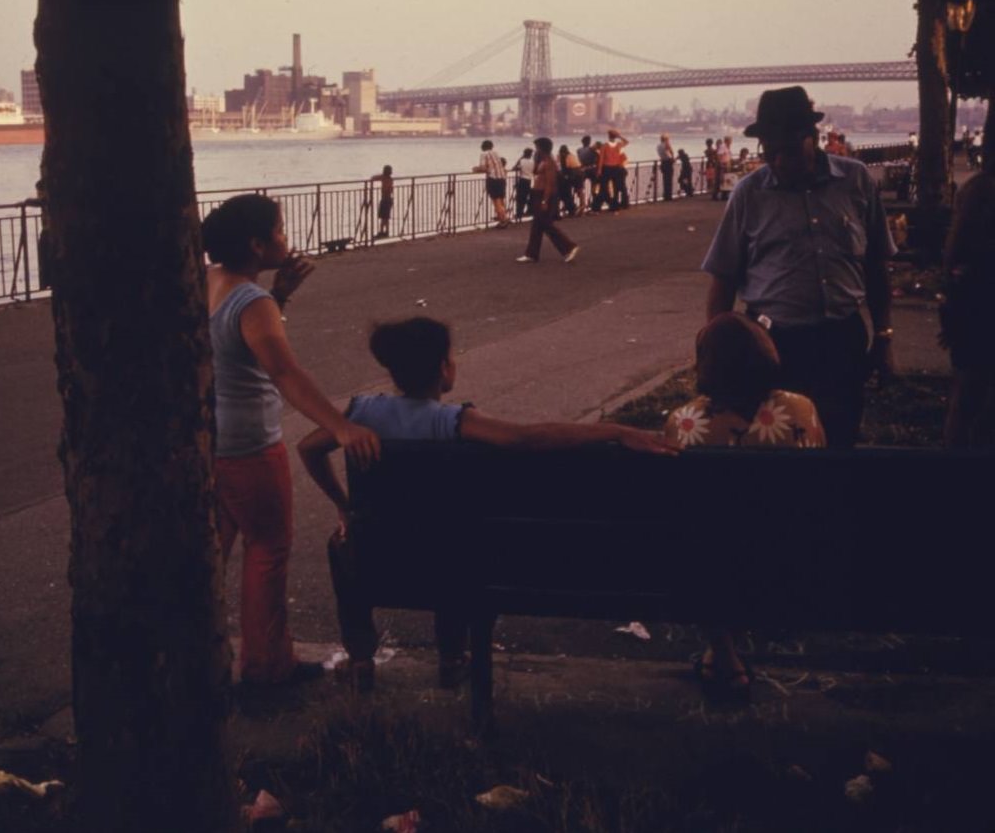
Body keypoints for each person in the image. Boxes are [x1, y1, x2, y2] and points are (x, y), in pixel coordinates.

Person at [299, 316, 678, 691]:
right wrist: (616, 430)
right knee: (455, 539)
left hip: (379, 554)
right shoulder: (454, 421)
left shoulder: (362, 414)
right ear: (443, 369)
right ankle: (451, 656)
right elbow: (526, 439)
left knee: (343, 544)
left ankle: (361, 657)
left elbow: (307, 449)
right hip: (441, 560)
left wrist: (341, 503)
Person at [203, 194, 380, 686]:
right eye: (279, 231)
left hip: (211, 441)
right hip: (250, 445)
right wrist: (340, 426)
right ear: (257, 244)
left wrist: (280, 295)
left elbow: (234, 347)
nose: (286, 238)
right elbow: (284, 373)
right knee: (267, 550)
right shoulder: (253, 302)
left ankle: (197, 654)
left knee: (212, 551)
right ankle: (266, 667)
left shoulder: (210, 282)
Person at [702, 85, 895, 448]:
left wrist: (884, 338)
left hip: (841, 340)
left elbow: (876, 266)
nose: (776, 161)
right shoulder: (749, 193)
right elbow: (723, 279)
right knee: (778, 447)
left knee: (840, 438)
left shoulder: (856, 182)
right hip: (772, 345)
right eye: (769, 152)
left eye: (787, 151)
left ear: (813, 137)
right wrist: (715, 352)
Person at [664, 314, 825, 701]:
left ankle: (721, 651)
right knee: (742, 539)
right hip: (789, 553)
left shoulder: (684, 423)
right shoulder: (801, 411)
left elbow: (674, 503)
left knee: (708, 542)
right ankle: (724, 652)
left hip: (709, 561)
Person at [940, 129, 995, 446]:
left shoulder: (977, 189)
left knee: (969, 394)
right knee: (971, 393)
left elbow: (952, 254)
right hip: (982, 302)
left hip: (975, 301)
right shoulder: (982, 191)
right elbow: (956, 252)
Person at [516, 137, 580, 264]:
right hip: (538, 194)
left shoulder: (549, 162)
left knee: (546, 224)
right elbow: (536, 173)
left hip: (544, 196)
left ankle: (569, 246)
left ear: (542, 148)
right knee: (537, 226)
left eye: (537, 148)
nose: (536, 150)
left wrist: (545, 200)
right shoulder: (542, 160)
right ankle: (531, 254)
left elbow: (550, 183)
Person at [472, 140, 510, 227]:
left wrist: (475, 169)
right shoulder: (496, 153)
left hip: (493, 179)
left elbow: (483, 167)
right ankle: (505, 217)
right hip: (502, 178)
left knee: (496, 200)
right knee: (500, 199)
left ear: (483, 146)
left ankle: (503, 221)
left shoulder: (484, 154)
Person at [599, 129, 630, 211]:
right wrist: (619, 136)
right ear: (615, 137)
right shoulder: (618, 145)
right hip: (616, 168)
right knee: (616, 187)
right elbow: (627, 142)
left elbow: (601, 159)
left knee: (605, 188)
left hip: (606, 168)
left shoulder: (604, 146)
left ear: (608, 136)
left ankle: (612, 204)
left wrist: (599, 170)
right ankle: (618, 204)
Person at [512, 148, 535, 221]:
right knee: (529, 197)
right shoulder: (533, 162)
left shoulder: (522, 161)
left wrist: (520, 158)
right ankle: (530, 211)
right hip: (530, 180)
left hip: (522, 180)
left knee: (520, 198)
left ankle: (519, 214)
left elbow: (514, 168)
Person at [577, 135, 599, 211]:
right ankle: (595, 206)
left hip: (583, 170)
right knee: (594, 188)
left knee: (580, 187)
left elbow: (579, 161)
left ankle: (582, 204)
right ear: (589, 142)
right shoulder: (592, 150)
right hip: (593, 170)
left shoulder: (579, 150)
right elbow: (598, 158)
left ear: (582, 142)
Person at [371, 165, 394, 238]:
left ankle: (382, 232)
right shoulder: (390, 179)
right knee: (386, 217)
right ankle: (386, 232)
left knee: (383, 217)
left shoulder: (384, 178)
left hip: (385, 199)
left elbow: (373, 178)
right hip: (389, 199)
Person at [557, 144, 580, 216]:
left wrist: (564, 176)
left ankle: (570, 209)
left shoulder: (565, 157)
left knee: (565, 194)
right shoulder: (571, 155)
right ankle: (571, 209)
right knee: (568, 194)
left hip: (568, 176)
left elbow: (565, 167)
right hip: (575, 175)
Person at [657, 133, 675, 201]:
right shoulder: (666, 144)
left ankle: (665, 195)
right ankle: (669, 196)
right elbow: (671, 152)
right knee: (669, 180)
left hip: (663, 163)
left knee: (665, 180)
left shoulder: (658, 146)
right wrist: (673, 158)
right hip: (668, 162)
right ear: (666, 139)